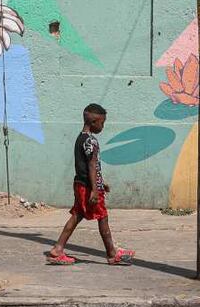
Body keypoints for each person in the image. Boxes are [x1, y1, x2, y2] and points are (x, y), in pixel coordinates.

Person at [47, 103, 134, 266]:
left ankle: (57, 249)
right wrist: (95, 189)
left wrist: (101, 184)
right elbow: (92, 165)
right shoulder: (91, 141)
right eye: (102, 122)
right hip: (88, 188)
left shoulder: (81, 138)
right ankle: (112, 253)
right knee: (103, 217)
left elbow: (88, 167)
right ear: (94, 122)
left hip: (81, 184)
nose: (103, 126)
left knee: (77, 215)